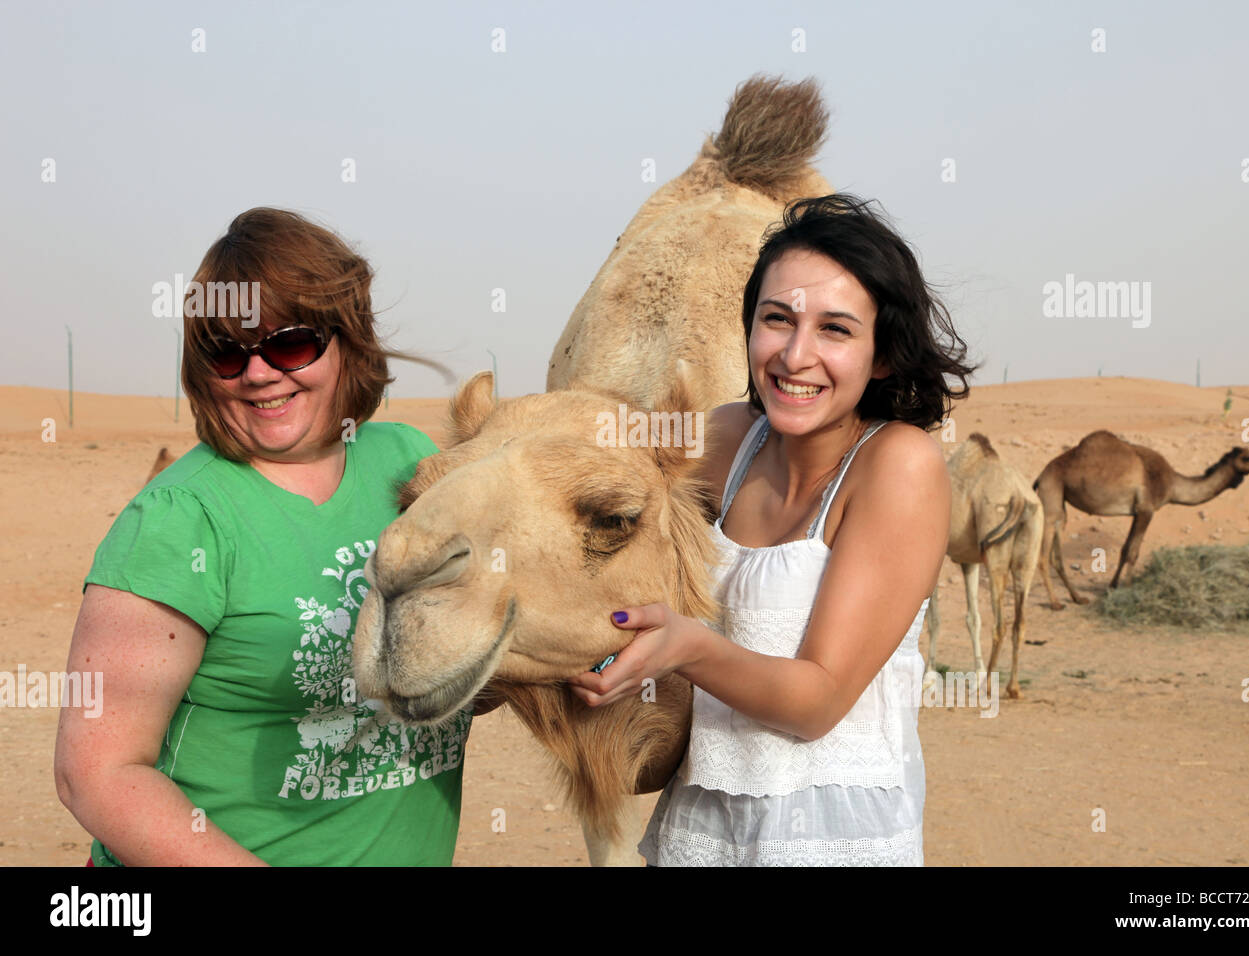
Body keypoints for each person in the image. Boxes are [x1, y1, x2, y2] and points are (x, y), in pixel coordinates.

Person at [54, 208, 477, 865]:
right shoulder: (179, 519)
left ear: (347, 342)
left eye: (290, 343)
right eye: (227, 352)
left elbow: (456, 668)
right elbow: (98, 774)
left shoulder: (408, 466)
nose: (257, 373)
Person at [569, 194, 977, 865]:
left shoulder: (898, 466)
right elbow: (611, 525)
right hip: (700, 828)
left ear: (882, 355)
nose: (795, 354)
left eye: (835, 330)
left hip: (826, 835)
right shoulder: (729, 440)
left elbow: (817, 699)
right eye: (777, 319)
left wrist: (685, 647)